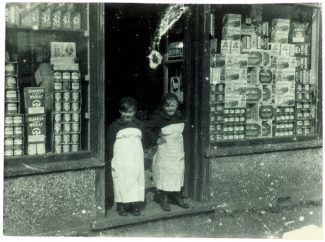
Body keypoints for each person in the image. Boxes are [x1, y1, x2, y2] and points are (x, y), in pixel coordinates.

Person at [146, 93, 189, 211]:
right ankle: (163, 198)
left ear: (177, 106)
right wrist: (156, 139)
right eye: (167, 106)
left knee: (177, 171)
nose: (170, 108)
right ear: (163, 107)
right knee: (165, 173)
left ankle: (177, 196)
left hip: (178, 150)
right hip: (165, 150)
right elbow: (146, 128)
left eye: (173, 106)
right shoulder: (159, 118)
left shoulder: (180, 117)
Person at [107, 97, 145, 216]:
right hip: (121, 157)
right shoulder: (114, 126)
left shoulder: (139, 125)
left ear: (135, 112)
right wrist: (112, 156)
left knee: (135, 178)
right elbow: (110, 142)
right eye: (125, 112)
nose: (128, 115)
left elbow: (143, 141)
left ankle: (134, 205)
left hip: (135, 157)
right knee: (121, 179)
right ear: (120, 111)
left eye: (131, 112)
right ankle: (121, 205)